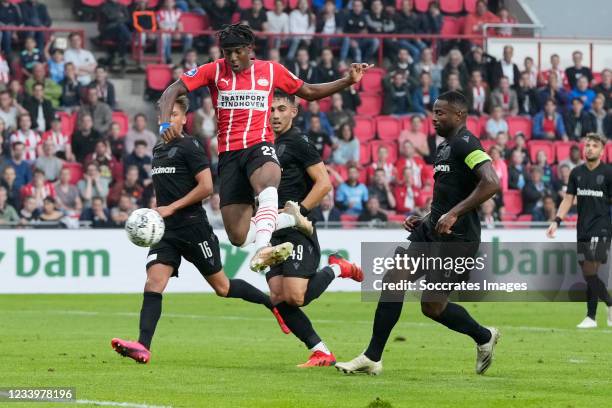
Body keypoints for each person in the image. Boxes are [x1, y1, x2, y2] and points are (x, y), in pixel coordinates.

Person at [158, 23, 370, 272]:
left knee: (268, 181)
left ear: (250, 49)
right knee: (238, 236)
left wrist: (348, 81)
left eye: (238, 51)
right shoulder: (213, 71)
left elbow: (310, 92)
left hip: (259, 145)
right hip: (229, 155)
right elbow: (172, 91)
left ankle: (263, 249)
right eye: (227, 52)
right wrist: (164, 123)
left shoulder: (271, 71)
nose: (233, 58)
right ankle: (289, 219)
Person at [110, 95, 291, 364]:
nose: (169, 119)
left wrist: (171, 208)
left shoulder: (190, 147)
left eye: (174, 115)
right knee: (154, 282)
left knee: (222, 287)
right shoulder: (158, 150)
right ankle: (143, 346)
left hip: (194, 228)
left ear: (184, 119)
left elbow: (206, 187)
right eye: (166, 115)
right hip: (166, 231)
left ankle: (271, 304)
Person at [336, 91, 501, 376]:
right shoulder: (444, 147)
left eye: (442, 113)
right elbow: (449, 194)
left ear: (459, 115)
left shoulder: (467, 143)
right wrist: (426, 217)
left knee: (433, 307)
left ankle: (484, 336)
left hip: (458, 240)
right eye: (434, 112)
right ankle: (372, 357)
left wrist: (454, 214)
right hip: (430, 231)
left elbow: (491, 182)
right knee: (393, 279)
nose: (434, 117)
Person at [261, 91, 363, 367]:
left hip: (296, 228)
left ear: (294, 111)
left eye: (281, 108)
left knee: (296, 297)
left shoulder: (299, 142)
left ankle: (338, 268)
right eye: (271, 109)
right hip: (271, 229)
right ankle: (321, 351)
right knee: (277, 297)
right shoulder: (263, 143)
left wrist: (298, 213)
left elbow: (324, 183)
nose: (275, 114)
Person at [547, 133, 612, 328]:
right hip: (582, 227)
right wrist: (557, 220)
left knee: (590, 269)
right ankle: (596, 314)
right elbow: (568, 199)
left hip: (601, 227)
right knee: (588, 273)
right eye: (587, 145)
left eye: (594, 145)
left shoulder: (608, 173)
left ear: (601, 150)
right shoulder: (576, 173)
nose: (589, 148)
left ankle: (598, 312)